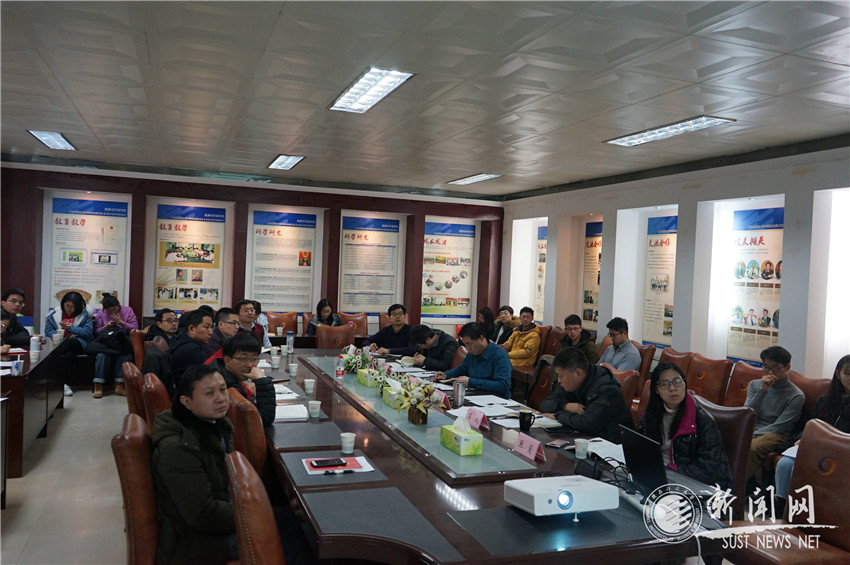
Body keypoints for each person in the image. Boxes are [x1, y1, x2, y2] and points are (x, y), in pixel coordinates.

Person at [152, 363, 311, 565]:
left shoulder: (213, 424)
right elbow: (203, 515)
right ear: (186, 401)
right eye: (209, 393)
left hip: (220, 513)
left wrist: (260, 508)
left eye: (222, 389)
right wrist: (255, 513)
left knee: (294, 520)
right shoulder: (178, 448)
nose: (220, 398)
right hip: (195, 542)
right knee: (292, 544)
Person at [773, 355, 850, 515]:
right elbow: (812, 424)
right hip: (817, 447)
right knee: (785, 464)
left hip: (842, 452)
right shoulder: (825, 400)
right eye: (847, 373)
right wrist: (802, 439)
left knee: (799, 468)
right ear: (838, 374)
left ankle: (800, 513)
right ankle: (782, 511)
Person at [637, 362, 733, 490]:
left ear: (684, 383)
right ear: (656, 390)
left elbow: (708, 469)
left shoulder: (702, 420)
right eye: (664, 384)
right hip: (661, 476)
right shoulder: (650, 416)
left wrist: (670, 469)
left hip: (698, 484)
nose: (672, 388)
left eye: (677, 381)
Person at [540, 347, 633, 441]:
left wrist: (557, 415)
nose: (559, 380)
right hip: (585, 438)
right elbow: (545, 405)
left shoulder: (607, 389)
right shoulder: (573, 384)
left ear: (578, 373)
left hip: (612, 445)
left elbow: (586, 423)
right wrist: (565, 406)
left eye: (561, 376)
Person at [745, 346, 804, 486]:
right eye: (766, 367)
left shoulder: (796, 395)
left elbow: (781, 425)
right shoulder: (755, 385)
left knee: (751, 447)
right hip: (753, 427)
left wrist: (754, 434)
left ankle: (734, 486)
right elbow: (747, 413)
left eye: (775, 368)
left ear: (787, 368)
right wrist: (762, 391)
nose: (770, 372)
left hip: (776, 433)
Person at [208, 333, 275, 427]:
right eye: (243, 359)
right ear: (227, 360)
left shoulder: (222, 371)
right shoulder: (223, 385)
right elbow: (263, 420)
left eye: (254, 359)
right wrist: (261, 381)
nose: (250, 365)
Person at [436, 322, 512, 399]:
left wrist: (470, 382)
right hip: (476, 395)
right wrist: (445, 375)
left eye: (469, 344)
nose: (467, 348)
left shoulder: (499, 355)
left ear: (481, 338)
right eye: (465, 345)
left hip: (496, 399)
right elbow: (461, 369)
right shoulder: (472, 353)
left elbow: (503, 386)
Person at [45, 290, 94, 396]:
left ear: (78, 306)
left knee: (67, 345)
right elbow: (48, 331)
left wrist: (71, 328)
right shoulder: (54, 315)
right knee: (65, 356)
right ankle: (62, 384)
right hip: (59, 344)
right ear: (63, 304)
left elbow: (88, 333)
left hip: (77, 343)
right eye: (67, 306)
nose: (69, 309)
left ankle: (56, 383)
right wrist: (58, 335)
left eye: (72, 307)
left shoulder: (85, 315)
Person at [92, 293, 139, 399]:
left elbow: (135, 328)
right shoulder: (101, 313)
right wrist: (105, 326)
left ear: (118, 305)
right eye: (109, 311)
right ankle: (98, 386)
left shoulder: (128, 310)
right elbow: (96, 332)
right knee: (101, 355)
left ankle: (119, 385)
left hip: (122, 341)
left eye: (115, 309)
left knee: (125, 355)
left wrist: (120, 322)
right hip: (106, 341)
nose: (112, 313)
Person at [168, 309, 214, 378]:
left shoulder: (179, 341)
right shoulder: (192, 350)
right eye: (206, 327)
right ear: (191, 328)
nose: (211, 332)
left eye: (211, 327)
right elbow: (209, 377)